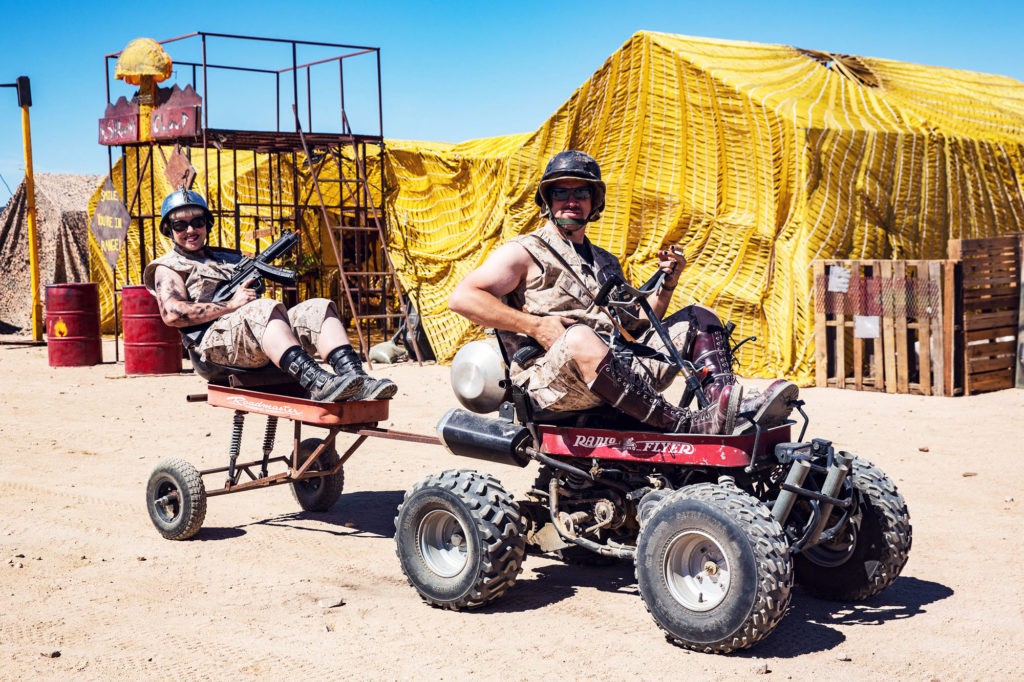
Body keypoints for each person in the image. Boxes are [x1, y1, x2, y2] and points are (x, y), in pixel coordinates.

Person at [448, 150, 797, 435]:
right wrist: (535, 326)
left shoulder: (605, 262)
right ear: (548, 200)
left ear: (594, 202)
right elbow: (462, 298)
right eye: (561, 193)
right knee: (579, 337)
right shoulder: (524, 251)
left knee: (699, 317)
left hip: (616, 371)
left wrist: (668, 283)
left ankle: (726, 405)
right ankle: (681, 424)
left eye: (581, 193)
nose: (571, 201)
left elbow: (639, 325)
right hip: (550, 382)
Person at [143, 188, 396, 403]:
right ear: (169, 230)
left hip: (249, 337)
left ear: (206, 224)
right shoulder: (169, 267)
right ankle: (318, 382)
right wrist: (231, 304)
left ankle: (356, 378)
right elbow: (172, 314)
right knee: (262, 309)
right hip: (212, 349)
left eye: (197, 222)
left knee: (318, 308)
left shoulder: (226, 257)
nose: (190, 229)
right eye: (180, 225)